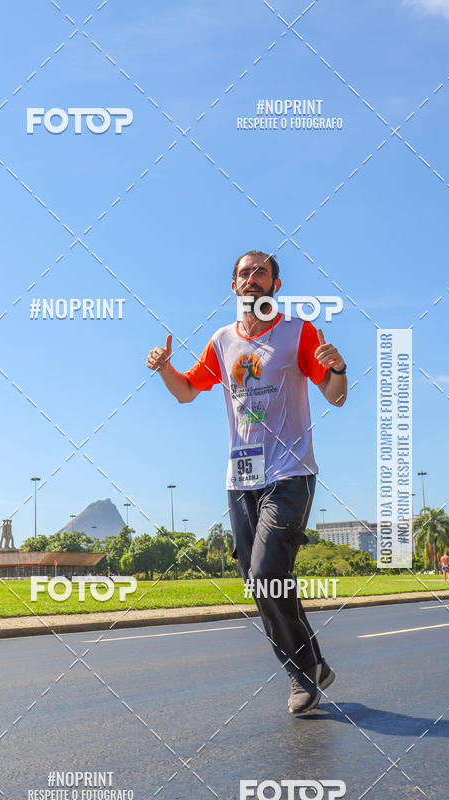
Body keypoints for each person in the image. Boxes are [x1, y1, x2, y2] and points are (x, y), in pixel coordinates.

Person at [146, 251, 348, 715]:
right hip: (242, 481)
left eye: (260, 273)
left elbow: (334, 398)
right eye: (243, 273)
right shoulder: (221, 341)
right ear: (233, 286)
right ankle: (313, 662)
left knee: (267, 573)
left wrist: (336, 368)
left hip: (290, 473)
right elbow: (185, 392)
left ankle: (301, 677)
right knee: (260, 583)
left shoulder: (299, 333)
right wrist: (163, 368)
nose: (251, 279)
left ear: (275, 286)